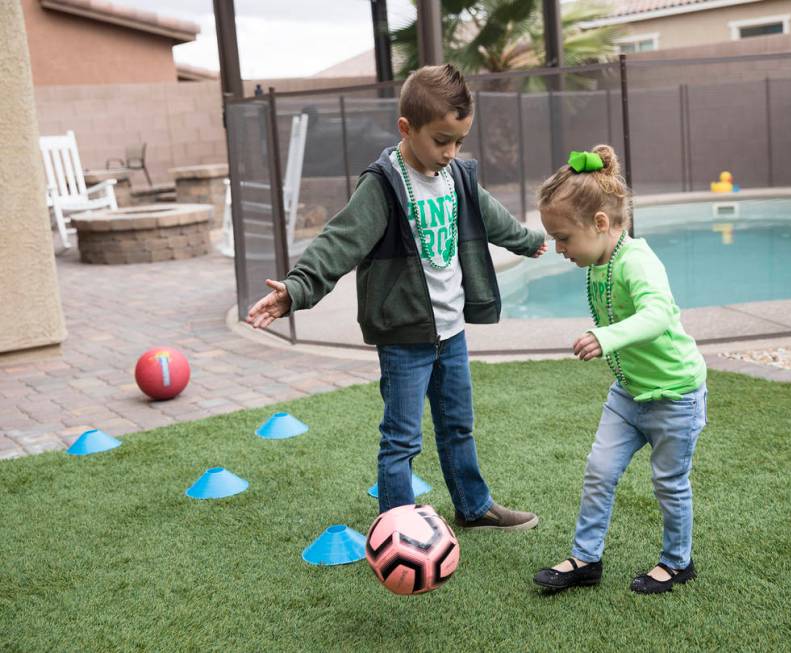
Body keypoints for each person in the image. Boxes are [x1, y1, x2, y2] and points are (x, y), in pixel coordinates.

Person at [246, 64, 547, 531]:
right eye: (441, 140)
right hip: (404, 336)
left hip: (451, 333)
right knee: (402, 439)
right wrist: (298, 288)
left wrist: (528, 241)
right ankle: (398, 528)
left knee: (458, 427)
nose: (450, 152)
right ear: (406, 128)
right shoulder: (383, 184)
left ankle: (473, 506)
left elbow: (493, 217)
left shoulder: (459, 179)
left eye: (459, 141)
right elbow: (339, 241)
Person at [531, 145, 707, 594]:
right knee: (599, 471)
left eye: (564, 238)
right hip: (628, 394)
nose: (559, 248)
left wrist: (605, 337)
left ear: (601, 224)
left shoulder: (638, 261)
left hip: (674, 395)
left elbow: (659, 316)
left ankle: (677, 562)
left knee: (669, 484)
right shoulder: (598, 262)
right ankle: (586, 559)